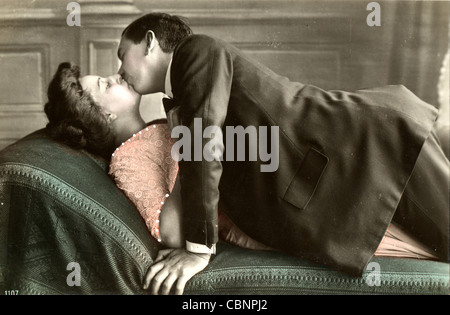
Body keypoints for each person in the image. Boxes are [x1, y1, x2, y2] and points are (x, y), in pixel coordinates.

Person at [115, 13, 449, 294]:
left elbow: (205, 142)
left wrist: (198, 251)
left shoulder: (195, 51)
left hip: (382, 141)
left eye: (121, 55)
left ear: (149, 41)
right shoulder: (181, 94)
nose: (119, 71)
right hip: (363, 154)